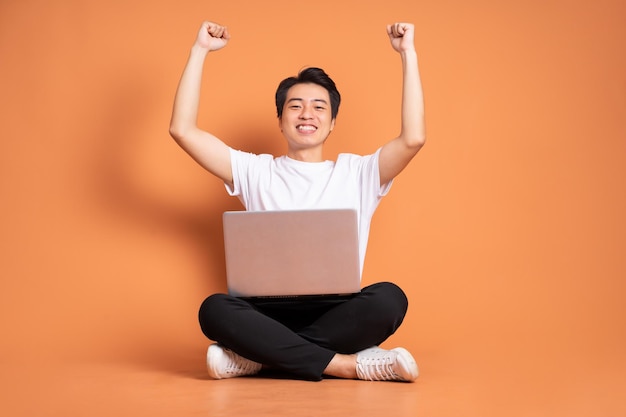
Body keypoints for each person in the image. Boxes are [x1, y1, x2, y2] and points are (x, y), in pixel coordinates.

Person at [169, 20, 426, 382]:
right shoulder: (254, 171)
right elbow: (182, 130)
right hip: (266, 312)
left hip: (337, 311)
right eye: (296, 106)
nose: (307, 114)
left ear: (333, 122)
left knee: (389, 299)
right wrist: (199, 51)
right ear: (280, 120)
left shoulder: (360, 172)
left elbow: (413, 139)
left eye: (319, 107)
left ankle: (258, 358)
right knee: (214, 310)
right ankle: (347, 365)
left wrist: (407, 54)